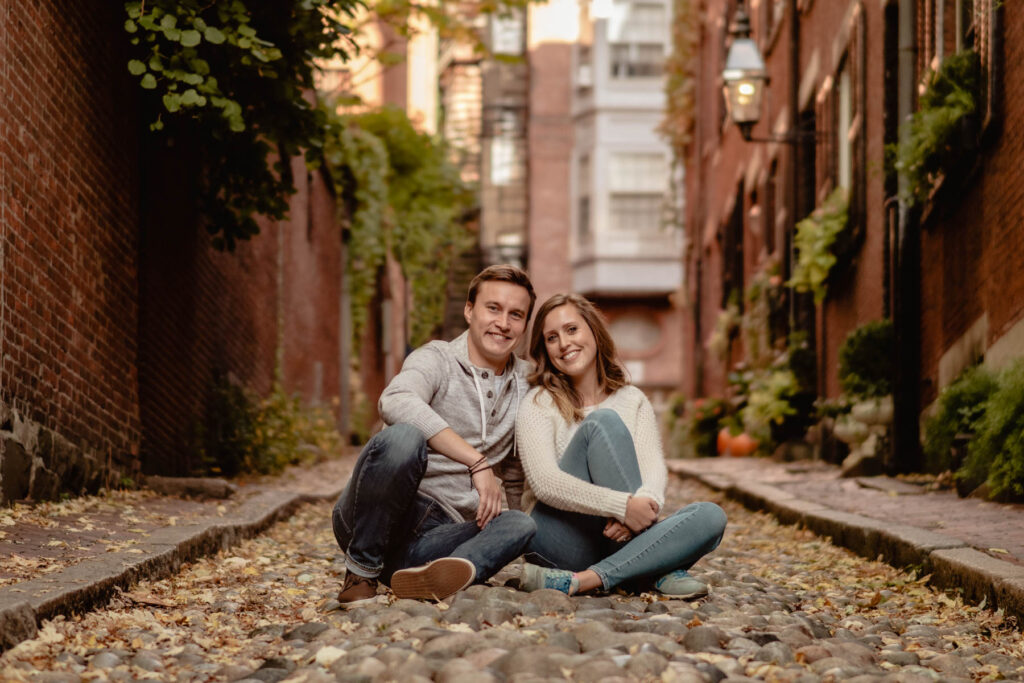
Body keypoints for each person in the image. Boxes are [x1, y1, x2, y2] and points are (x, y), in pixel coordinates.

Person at [332, 265, 538, 606]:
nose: (503, 323)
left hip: (442, 534)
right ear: (469, 310)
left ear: (524, 324)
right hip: (379, 510)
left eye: (516, 315)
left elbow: (515, 474)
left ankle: (428, 576)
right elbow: (395, 400)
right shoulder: (436, 358)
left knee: (520, 524)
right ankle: (361, 570)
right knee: (403, 438)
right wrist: (476, 461)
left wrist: (515, 544)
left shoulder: (526, 384)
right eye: (493, 308)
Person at [515, 293, 727, 597]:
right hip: (558, 541)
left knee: (711, 516)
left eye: (572, 330)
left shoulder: (633, 398)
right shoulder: (538, 402)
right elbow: (545, 483)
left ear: (593, 331)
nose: (563, 343)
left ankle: (590, 580)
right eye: (551, 338)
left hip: (619, 541)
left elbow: (653, 469)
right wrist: (622, 507)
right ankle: (655, 570)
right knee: (603, 424)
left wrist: (639, 510)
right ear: (545, 350)